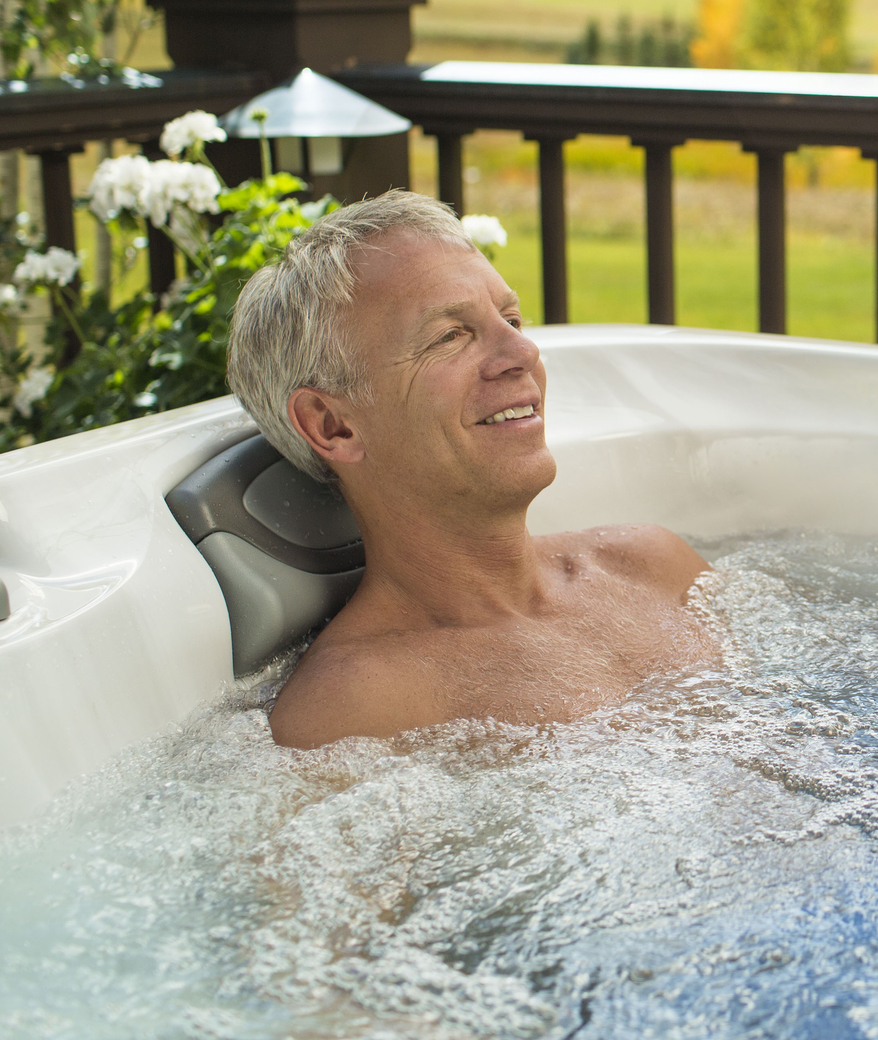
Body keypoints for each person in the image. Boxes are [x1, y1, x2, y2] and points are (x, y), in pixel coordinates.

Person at [225, 190, 714, 749]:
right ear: (333, 426)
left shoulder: (651, 565)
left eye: (510, 317)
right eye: (450, 336)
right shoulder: (361, 707)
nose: (522, 352)